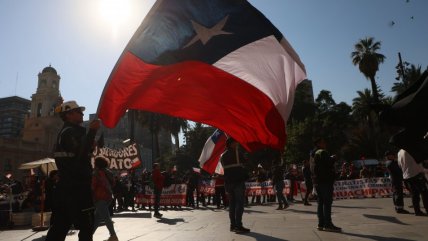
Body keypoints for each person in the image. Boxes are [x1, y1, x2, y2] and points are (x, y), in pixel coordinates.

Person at [46, 100, 100, 241]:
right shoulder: (70, 132)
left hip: (68, 186)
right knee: (86, 226)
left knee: (60, 226)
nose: (82, 114)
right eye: (79, 112)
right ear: (69, 115)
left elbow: (78, 153)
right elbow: (80, 155)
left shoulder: (68, 132)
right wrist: (92, 131)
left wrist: (90, 145)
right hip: (76, 188)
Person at [220, 137, 250, 233]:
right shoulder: (238, 153)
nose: (237, 144)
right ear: (231, 144)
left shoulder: (223, 156)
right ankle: (238, 225)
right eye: (235, 142)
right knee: (239, 204)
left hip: (228, 183)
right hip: (238, 181)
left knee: (232, 204)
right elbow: (245, 163)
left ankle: (232, 225)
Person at [311, 138, 341, 232]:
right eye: (323, 142)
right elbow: (328, 163)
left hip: (318, 181)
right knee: (327, 203)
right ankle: (328, 224)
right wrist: (333, 158)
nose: (325, 144)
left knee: (321, 202)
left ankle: (321, 224)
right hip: (325, 180)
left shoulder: (313, 153)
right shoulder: (321, 152)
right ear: (319, 144)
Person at [92, 157, 118, 241]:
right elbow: (113, 183)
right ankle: (89, 235)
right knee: (97, 218)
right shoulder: (108, 172)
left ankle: (113, 236)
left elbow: (92, 186)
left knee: (106, 218)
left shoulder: (96, 173)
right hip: (108, 197)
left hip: (100, 197)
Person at [397, 149, 428, 216]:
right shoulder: (412, 150)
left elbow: (399, 165)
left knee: (414, 194)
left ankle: (417, 211)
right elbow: (419, 161)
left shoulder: (399, 152)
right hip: (416, 174)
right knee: (424, 192)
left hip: (406, 176)